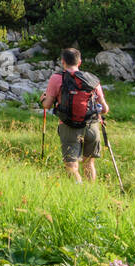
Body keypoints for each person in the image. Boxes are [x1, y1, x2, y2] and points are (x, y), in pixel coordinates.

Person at [40, 47, 109, 183]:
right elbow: (105, 109)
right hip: (91, 126)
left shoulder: (57, 78)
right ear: (80, 62)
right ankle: (90, 194)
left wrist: (42, 98)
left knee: (71, 165)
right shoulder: (91, 79)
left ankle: (79, 191)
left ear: (63, 62)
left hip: (69, 126)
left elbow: (47, 105)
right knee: (89, 163)